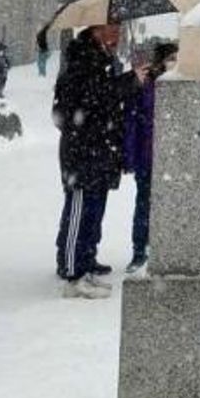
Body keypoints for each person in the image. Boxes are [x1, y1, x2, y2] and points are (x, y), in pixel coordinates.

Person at [53, 23, 148, 298]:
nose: (116, 34)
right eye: (110, 29)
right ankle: (73, 274)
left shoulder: (101, 60)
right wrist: (129, 81)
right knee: (80, 209)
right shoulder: (82, 61)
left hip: (98, 150)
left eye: (118, 29)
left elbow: (103, 97)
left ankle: (85, 263)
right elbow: (94, 97)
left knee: (93, 211)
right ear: (95, 31)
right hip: (83, 151)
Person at [122, 41, 176, 273]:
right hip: (148, 154)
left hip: (173, 157)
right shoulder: (147, 83)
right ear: (161, 61)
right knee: (144, 204)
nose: (174, 63)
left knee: (169, 204)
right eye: (171, 58)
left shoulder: (182, 84)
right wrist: (129, 155)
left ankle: (165, 249)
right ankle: (139, 251)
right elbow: (132, 121)